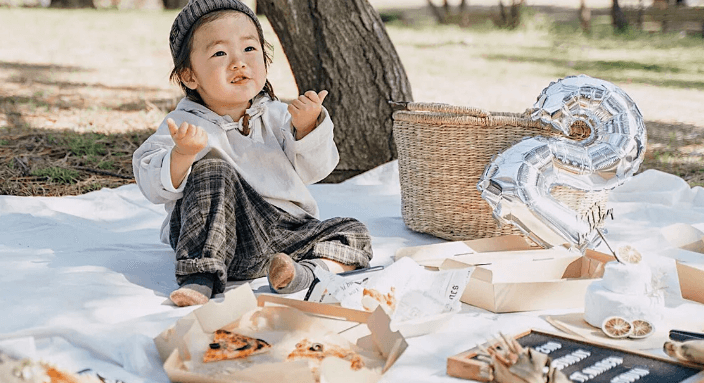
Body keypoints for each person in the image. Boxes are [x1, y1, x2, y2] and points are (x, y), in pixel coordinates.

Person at [132, 0, 373, 307]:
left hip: (283, 236)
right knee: (212, 169)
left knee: (353, 231)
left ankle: (303, 272)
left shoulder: (279, 115)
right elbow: (152, 182)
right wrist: (182, 155)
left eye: (249, 49)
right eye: (220, 53)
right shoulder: (183, 125)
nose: (238, 63)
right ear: (190, 76)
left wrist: (307, 129)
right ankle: (199, 277)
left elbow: (315, 171)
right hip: (216, 239)